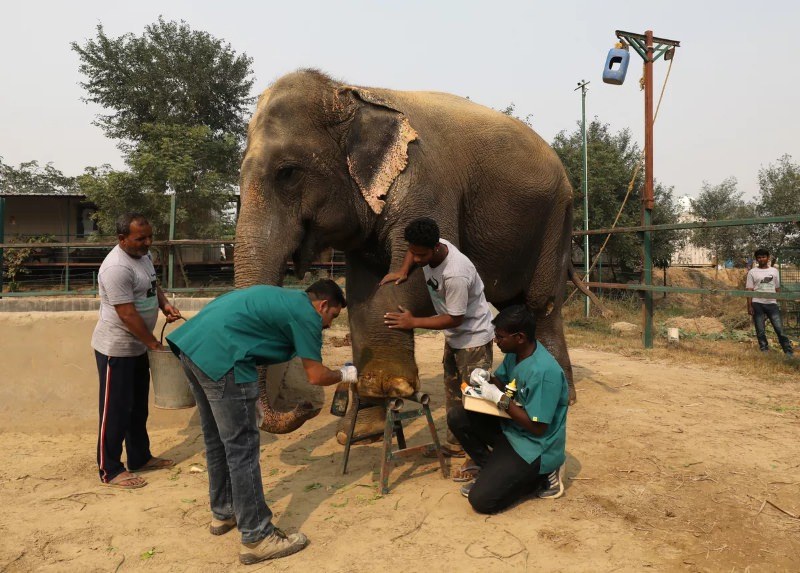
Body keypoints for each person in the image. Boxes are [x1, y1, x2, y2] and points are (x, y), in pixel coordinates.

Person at [165, 280, 357, 565]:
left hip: (192, 347)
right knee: (242, 447)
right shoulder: (307, 314)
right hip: (225, 358)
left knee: (218, 438)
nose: (328, 325)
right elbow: (315, 376)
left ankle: (224, 511)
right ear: (323, 305)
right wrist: (345, 374)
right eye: (332, 316)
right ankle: (257, 536)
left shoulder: (286, 299)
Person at [381, 217, 494, 480]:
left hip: (473, 339)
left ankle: (477, 457)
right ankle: (455, 445)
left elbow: (456, 318)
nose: (417, 258)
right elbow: (412, 253)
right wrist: (403, 270)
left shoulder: (455, 272)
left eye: (421, 255)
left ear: (435, 248)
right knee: (454, 394)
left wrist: (412, 322)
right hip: (455, 339)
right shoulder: (427, 249)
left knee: (476, 400)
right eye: (413, 252)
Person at [447, 305, 568, 514]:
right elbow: (504, 382)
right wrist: (486, 377)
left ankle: (541, 475)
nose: (496, 340)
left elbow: (537, 428)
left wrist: (501, 400)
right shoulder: (516, 353)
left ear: (519, 337)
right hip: (512, 428)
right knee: (458, 416)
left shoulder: (544, 372)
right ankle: (490, 470)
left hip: (534, 446)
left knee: (482, 501)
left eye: (500, 337)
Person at [91, 213, 181, 489]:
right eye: (140, 238)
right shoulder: (116, 268)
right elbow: (127, 314)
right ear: (122, 239)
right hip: (116, 349)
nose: (147, 242)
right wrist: (153, 344)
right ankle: (110, 468)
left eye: (149, 237)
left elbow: (153, 287)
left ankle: (140, 457)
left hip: (138, 346)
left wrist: (164, 304)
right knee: (115, 409)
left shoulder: (143, 257)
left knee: (137, 408)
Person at [746, 248, 793, 357]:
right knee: (760, 330)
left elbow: (777, 289)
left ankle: (788, 352)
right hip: (757, 303)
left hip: (772, 303)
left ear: (768, 258)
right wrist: (749, 306)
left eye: (763, 257)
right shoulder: (752, 272)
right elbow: (749, 290)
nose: (761, 259)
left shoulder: (774, 271)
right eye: (759, 257)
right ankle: (764, 351)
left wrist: (781, 303)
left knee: (779, 329)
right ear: (756, 259)